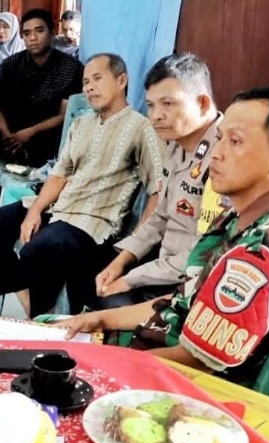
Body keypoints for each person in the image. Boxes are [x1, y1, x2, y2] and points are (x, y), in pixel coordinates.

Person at [56, 87, 269, 390]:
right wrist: (102, 320)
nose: (217, 151)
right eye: (221, 137)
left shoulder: (261, 253)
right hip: (158, 347)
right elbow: (184, 302)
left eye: (235, 141)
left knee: (43, 358)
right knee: (52, 330)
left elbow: (195, 364)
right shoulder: (245, 216)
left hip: (177, 389)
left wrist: (95, 365)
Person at [0, 53, 165, 318]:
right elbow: (59, 175)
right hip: (59, 208)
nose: (89, 87)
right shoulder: (81, 124)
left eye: (97, 78)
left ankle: (43, 314)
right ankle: (33, 306)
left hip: (92, 221)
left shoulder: (141, 128)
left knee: (38, 249)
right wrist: (36, 210)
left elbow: (157, 190)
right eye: (85, 82)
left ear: (121, 80)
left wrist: (135, 243)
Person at [93, 53, 224, 310]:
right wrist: (121, 261)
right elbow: (160, 216)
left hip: (195, 283)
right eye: (151, 105)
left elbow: (207, 252)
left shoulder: (223, 157)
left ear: (203, 103)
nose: (156, 116)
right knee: (97, 274)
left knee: (112, 304)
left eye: (168, 104)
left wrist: (132, 279)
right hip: (165, 268)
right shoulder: (176, 144)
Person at [0, 8, 84, 168]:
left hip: (49, 139)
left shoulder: (71, 67)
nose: (33, 38)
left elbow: (65, 114)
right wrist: (7, 134)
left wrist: (31, 132)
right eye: (27, 33)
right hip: (10, 136)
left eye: (39, 31)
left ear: (52, 32)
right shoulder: (10, 65)